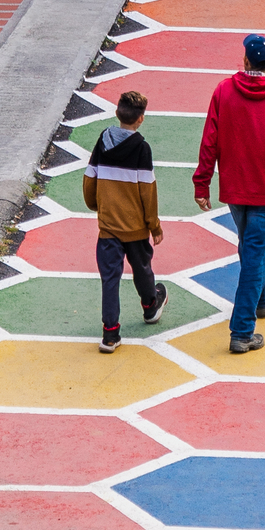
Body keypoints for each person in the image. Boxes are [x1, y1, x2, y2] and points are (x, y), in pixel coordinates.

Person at [193, 32, 265, 354]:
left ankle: (262, 302)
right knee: (254, 254)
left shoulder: (223, 91)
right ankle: (242, 332)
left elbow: (209, 141)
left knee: (251, 250)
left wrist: (202, 183)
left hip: (234, 187)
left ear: (245, 60)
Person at [83, 87, 167, 355]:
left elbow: (89, 178)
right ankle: (150, 305)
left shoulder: (102, 141)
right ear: (140, 118)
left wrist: (98, 206)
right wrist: (153, 224)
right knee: (142, 268)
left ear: (117, 113)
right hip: (136, 227)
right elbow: (147, 191)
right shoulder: (142, 148)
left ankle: (110, 335)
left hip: (108, 227)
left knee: (110, 279)